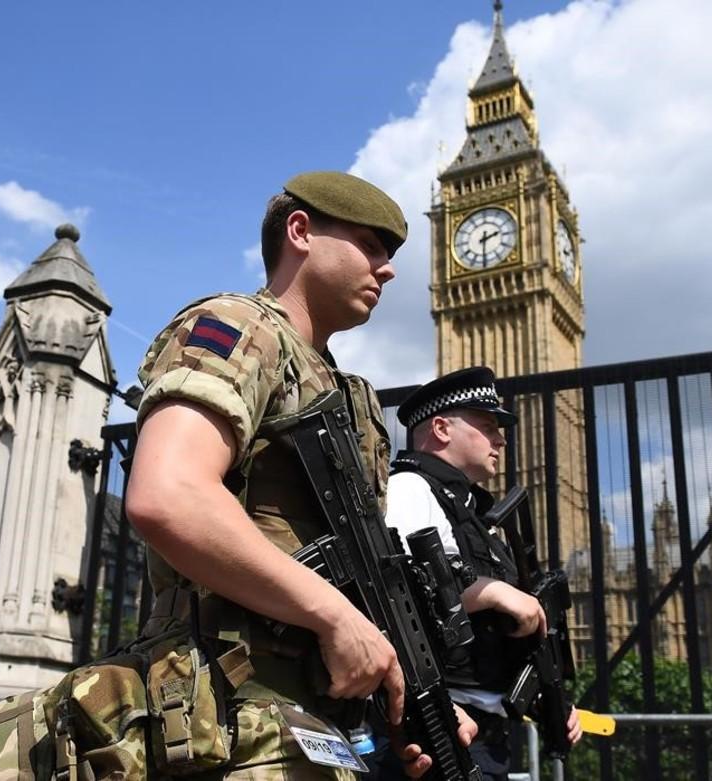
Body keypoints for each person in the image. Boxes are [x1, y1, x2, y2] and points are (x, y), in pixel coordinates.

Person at [125, 171, 472, 780]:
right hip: (219, 709)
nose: (387, 269)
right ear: (301, 232)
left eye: (389, 255)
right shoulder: (239, 326)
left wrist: (411, 693)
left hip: (307, 719)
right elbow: (168, 494)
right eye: (370, 245)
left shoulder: (348, 394)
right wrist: (334, 617)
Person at [374, 367, 583, 780]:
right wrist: (492, 592)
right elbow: (397, 589)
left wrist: (546, 696)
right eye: (488, 427)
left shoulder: (471, 511)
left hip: (485, 738)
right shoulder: (412, 488)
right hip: (440, 729)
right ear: (441, 428)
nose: (500, 440)